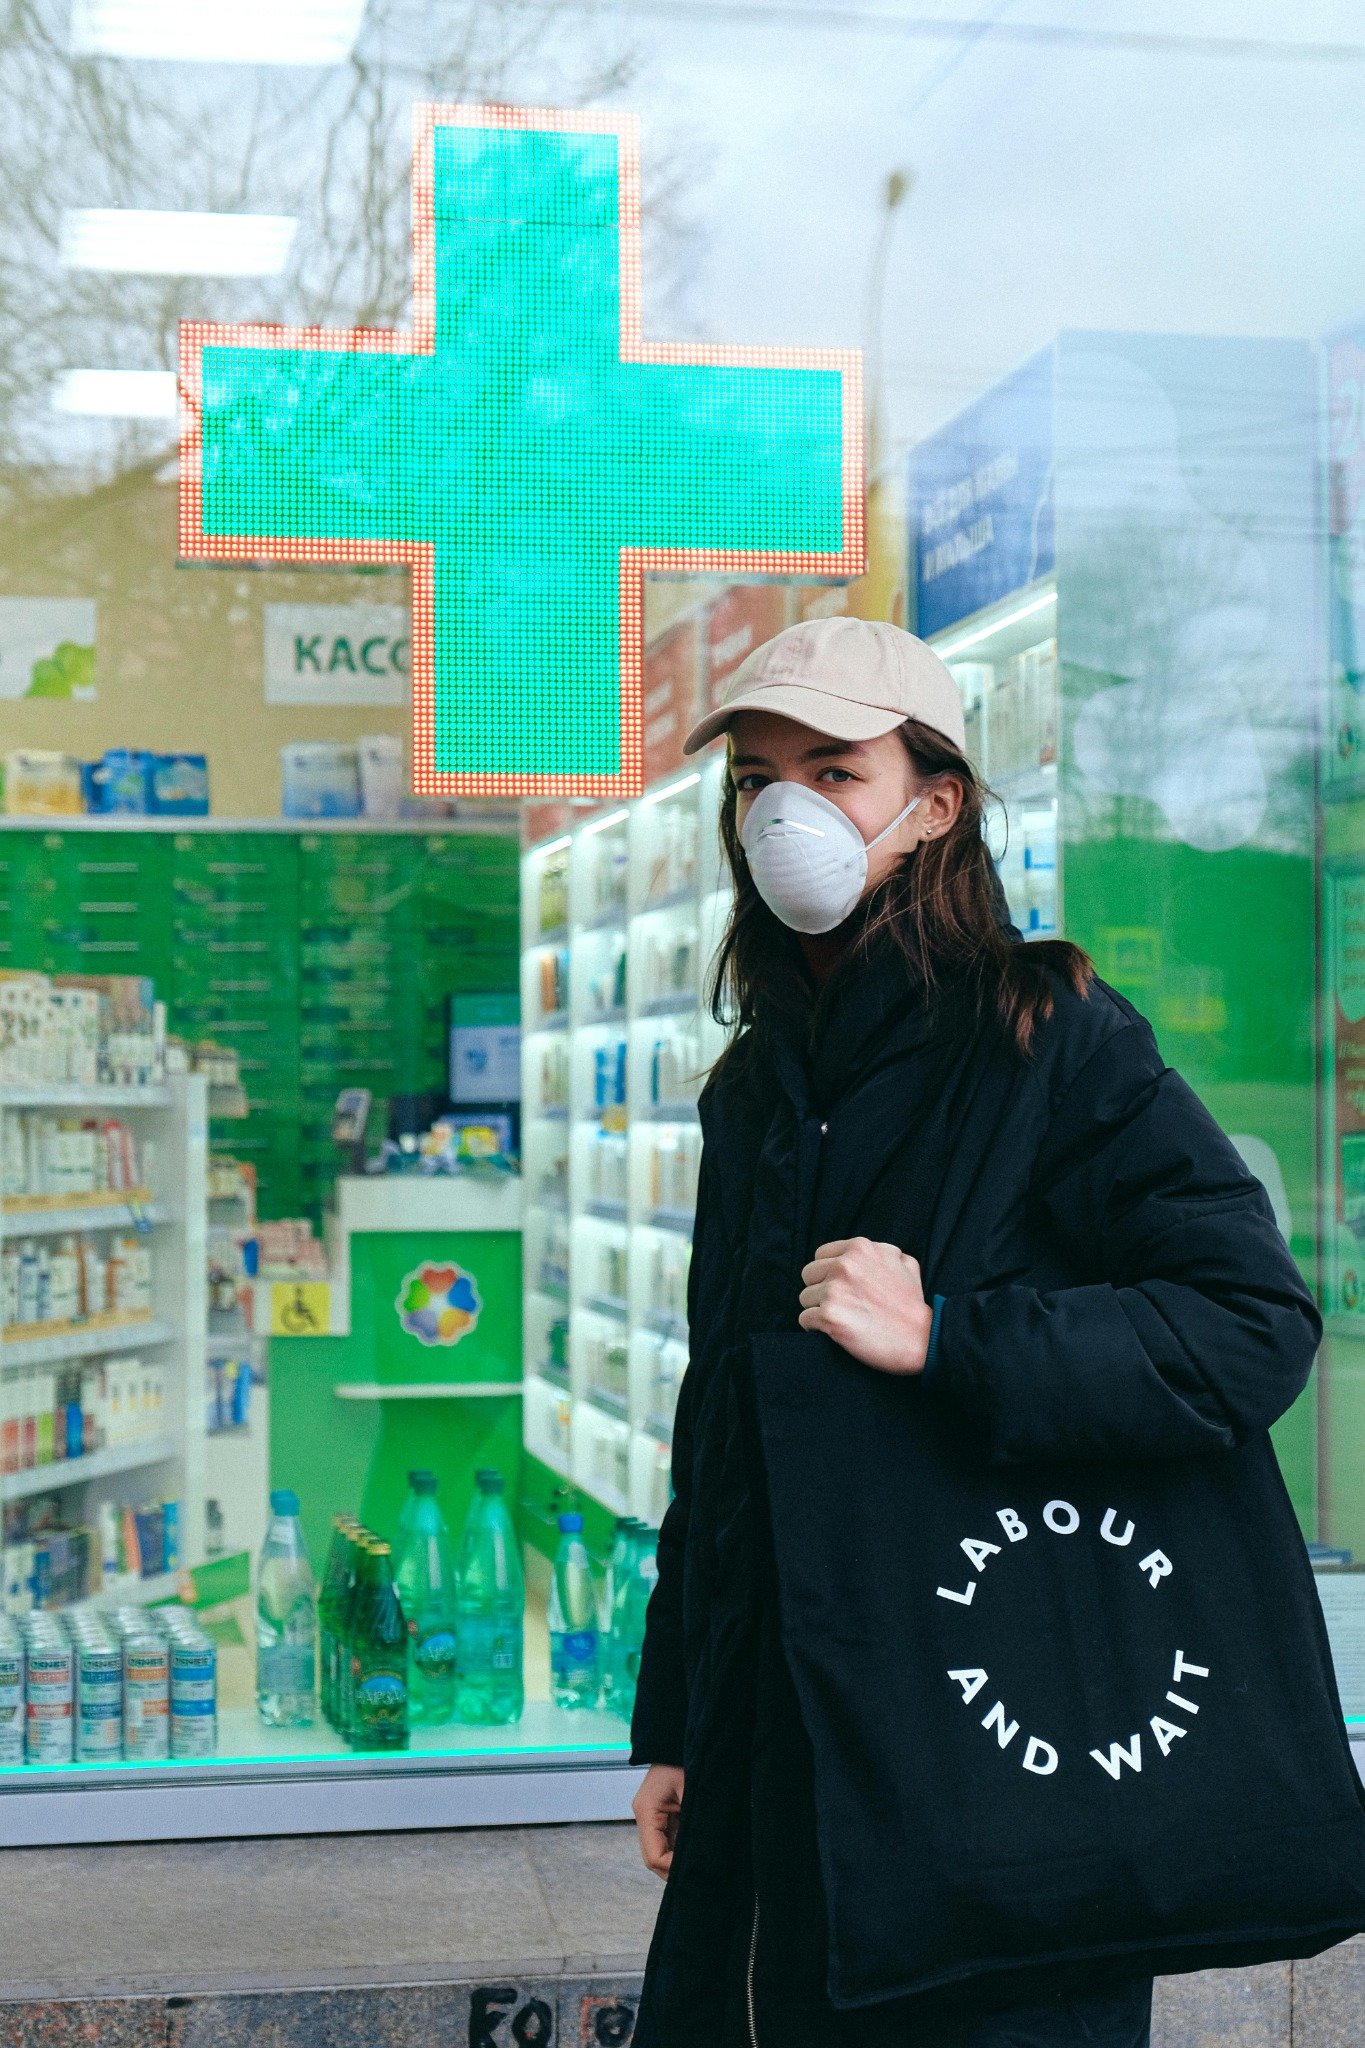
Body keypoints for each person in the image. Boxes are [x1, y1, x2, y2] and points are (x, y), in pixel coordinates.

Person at [626, 616, 1338, 2048]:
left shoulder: (1048, 1036)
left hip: (997, 1756)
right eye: (756, 781)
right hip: (788, 1751)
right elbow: (724, 1425)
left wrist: (951, 1338)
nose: (783, 815)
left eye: (835, 772)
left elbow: (1249, 1323)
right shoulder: (753, 1089)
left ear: (936, 803)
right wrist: (683, 1720)